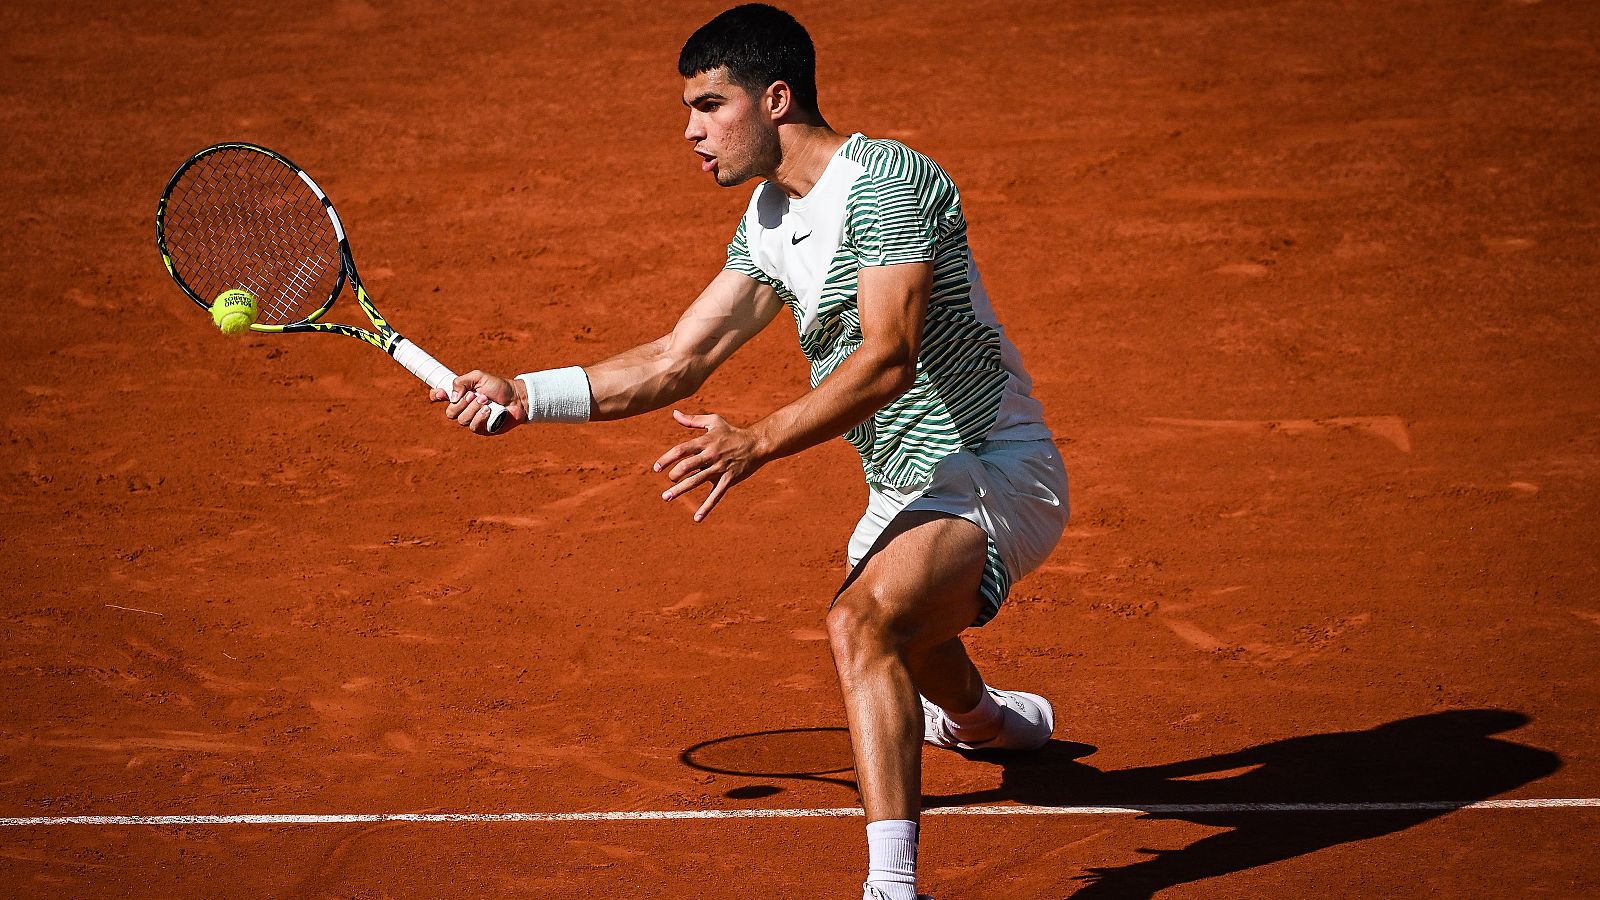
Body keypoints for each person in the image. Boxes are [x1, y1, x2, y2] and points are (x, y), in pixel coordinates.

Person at [432, 5, 1069, 898]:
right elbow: (674, 360)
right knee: (912, 642)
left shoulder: (888, 180)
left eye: (707, 105)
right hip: (903, 487)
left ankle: (892, 890)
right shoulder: (771, 220)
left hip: (995, 464)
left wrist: (759, 440)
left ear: (775, 99)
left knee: (861, 624)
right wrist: (523, 394)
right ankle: (985, 721)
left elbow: (889, 357)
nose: (690, 132)